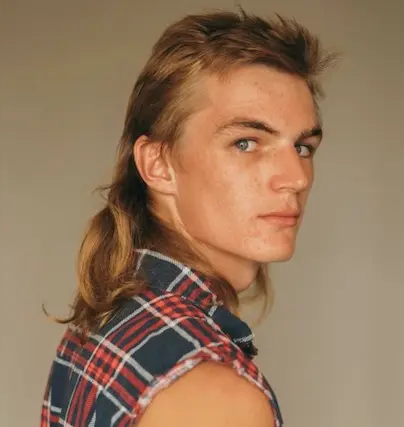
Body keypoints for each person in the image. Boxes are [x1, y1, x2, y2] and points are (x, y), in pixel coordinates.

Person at [41, 9, 336, 427]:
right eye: (246, 142)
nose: (295, 178)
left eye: (303, 147)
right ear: (158, 164)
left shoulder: (108, 319)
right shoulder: (215, 396)